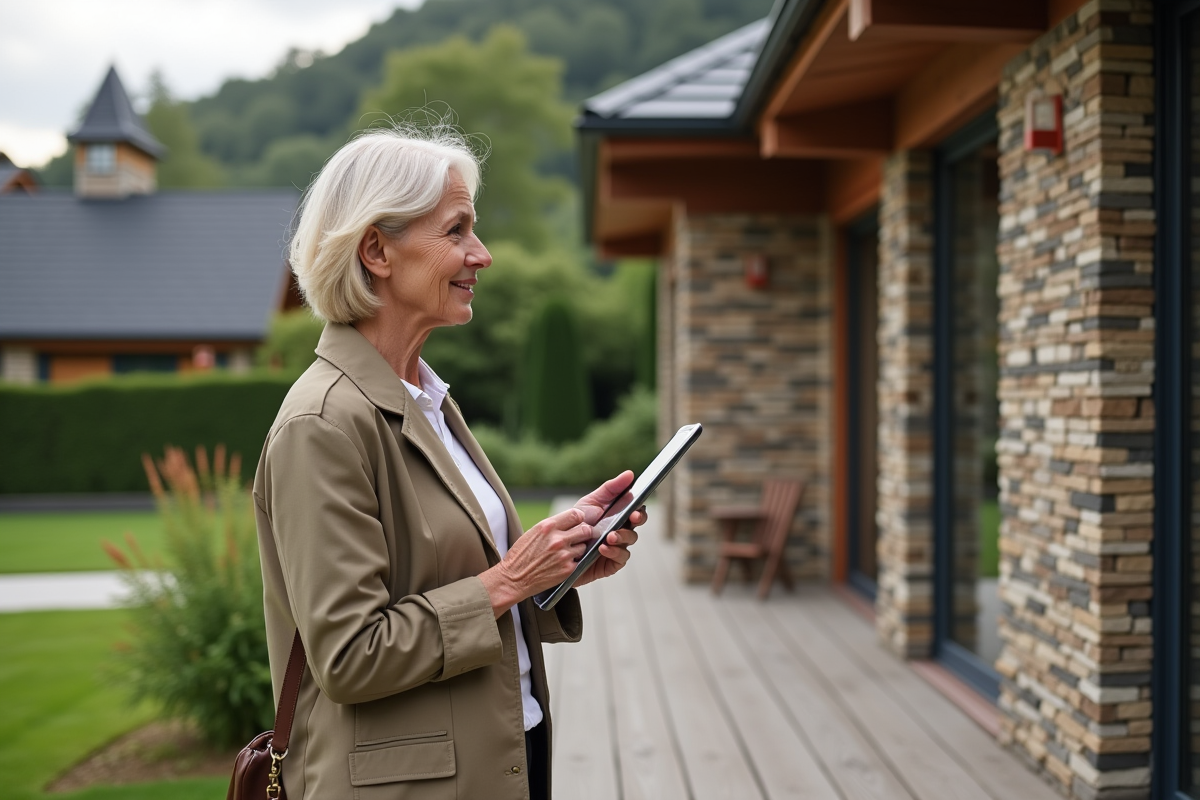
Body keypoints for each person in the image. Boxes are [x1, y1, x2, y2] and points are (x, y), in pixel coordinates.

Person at [252, 125, 645, 800]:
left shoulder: (426, 399)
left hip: (500, 761)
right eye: (456, 230)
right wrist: (510, 580)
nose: (481, 255)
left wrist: (556, 565)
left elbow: (462, 579)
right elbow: (350, 657)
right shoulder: (323, 425)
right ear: (377, 250)